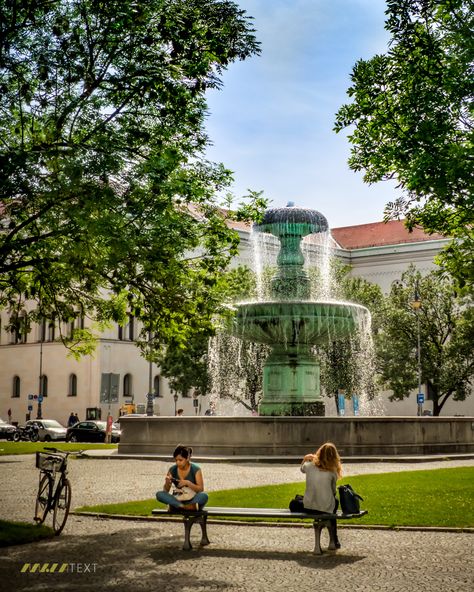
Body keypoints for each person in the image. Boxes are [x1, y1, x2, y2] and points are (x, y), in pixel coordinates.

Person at [299, 442, 342, 549]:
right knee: (334, 503)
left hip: (309, 507)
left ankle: (334, 540)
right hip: (325, 508)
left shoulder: (309, 466)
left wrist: (305, 458)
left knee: (296, 502)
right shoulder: (332, 472)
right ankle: (333, 540)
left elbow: (301, 469)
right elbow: (333, 492)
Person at [156, 445, 208, 512]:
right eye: (176, 460)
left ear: (187, 458)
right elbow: (166, 491)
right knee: (159, 494)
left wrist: (188, 483)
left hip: (192, 499)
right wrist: (167, 483)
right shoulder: (172, 469)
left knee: (204, 496)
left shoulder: (196, 469)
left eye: (180, 460)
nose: (178, 462)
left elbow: (200, 489)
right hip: (178, 499)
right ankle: (183, 507)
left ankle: (176, 507)